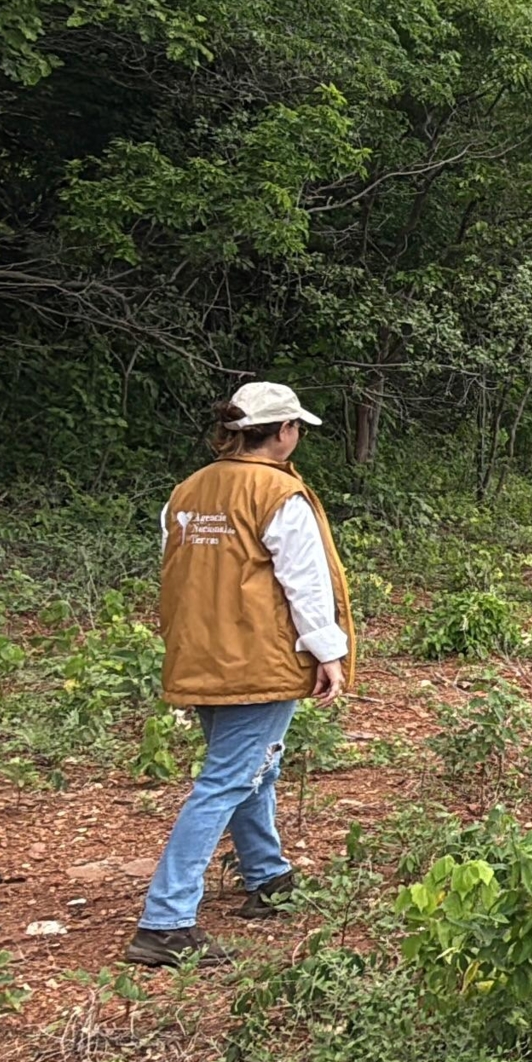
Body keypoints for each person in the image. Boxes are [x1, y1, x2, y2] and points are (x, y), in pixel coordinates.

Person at [125, 381, 353, 968]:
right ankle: (166, 920)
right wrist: (328, 651)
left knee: (254, 766)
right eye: (295, 427)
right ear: (283, 431)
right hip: (257, 656)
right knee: (228, 778)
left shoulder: (189, 490)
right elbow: (306, 582)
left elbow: (180, 568)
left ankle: (268, 876)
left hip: (199, 652)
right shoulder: (279, 493)